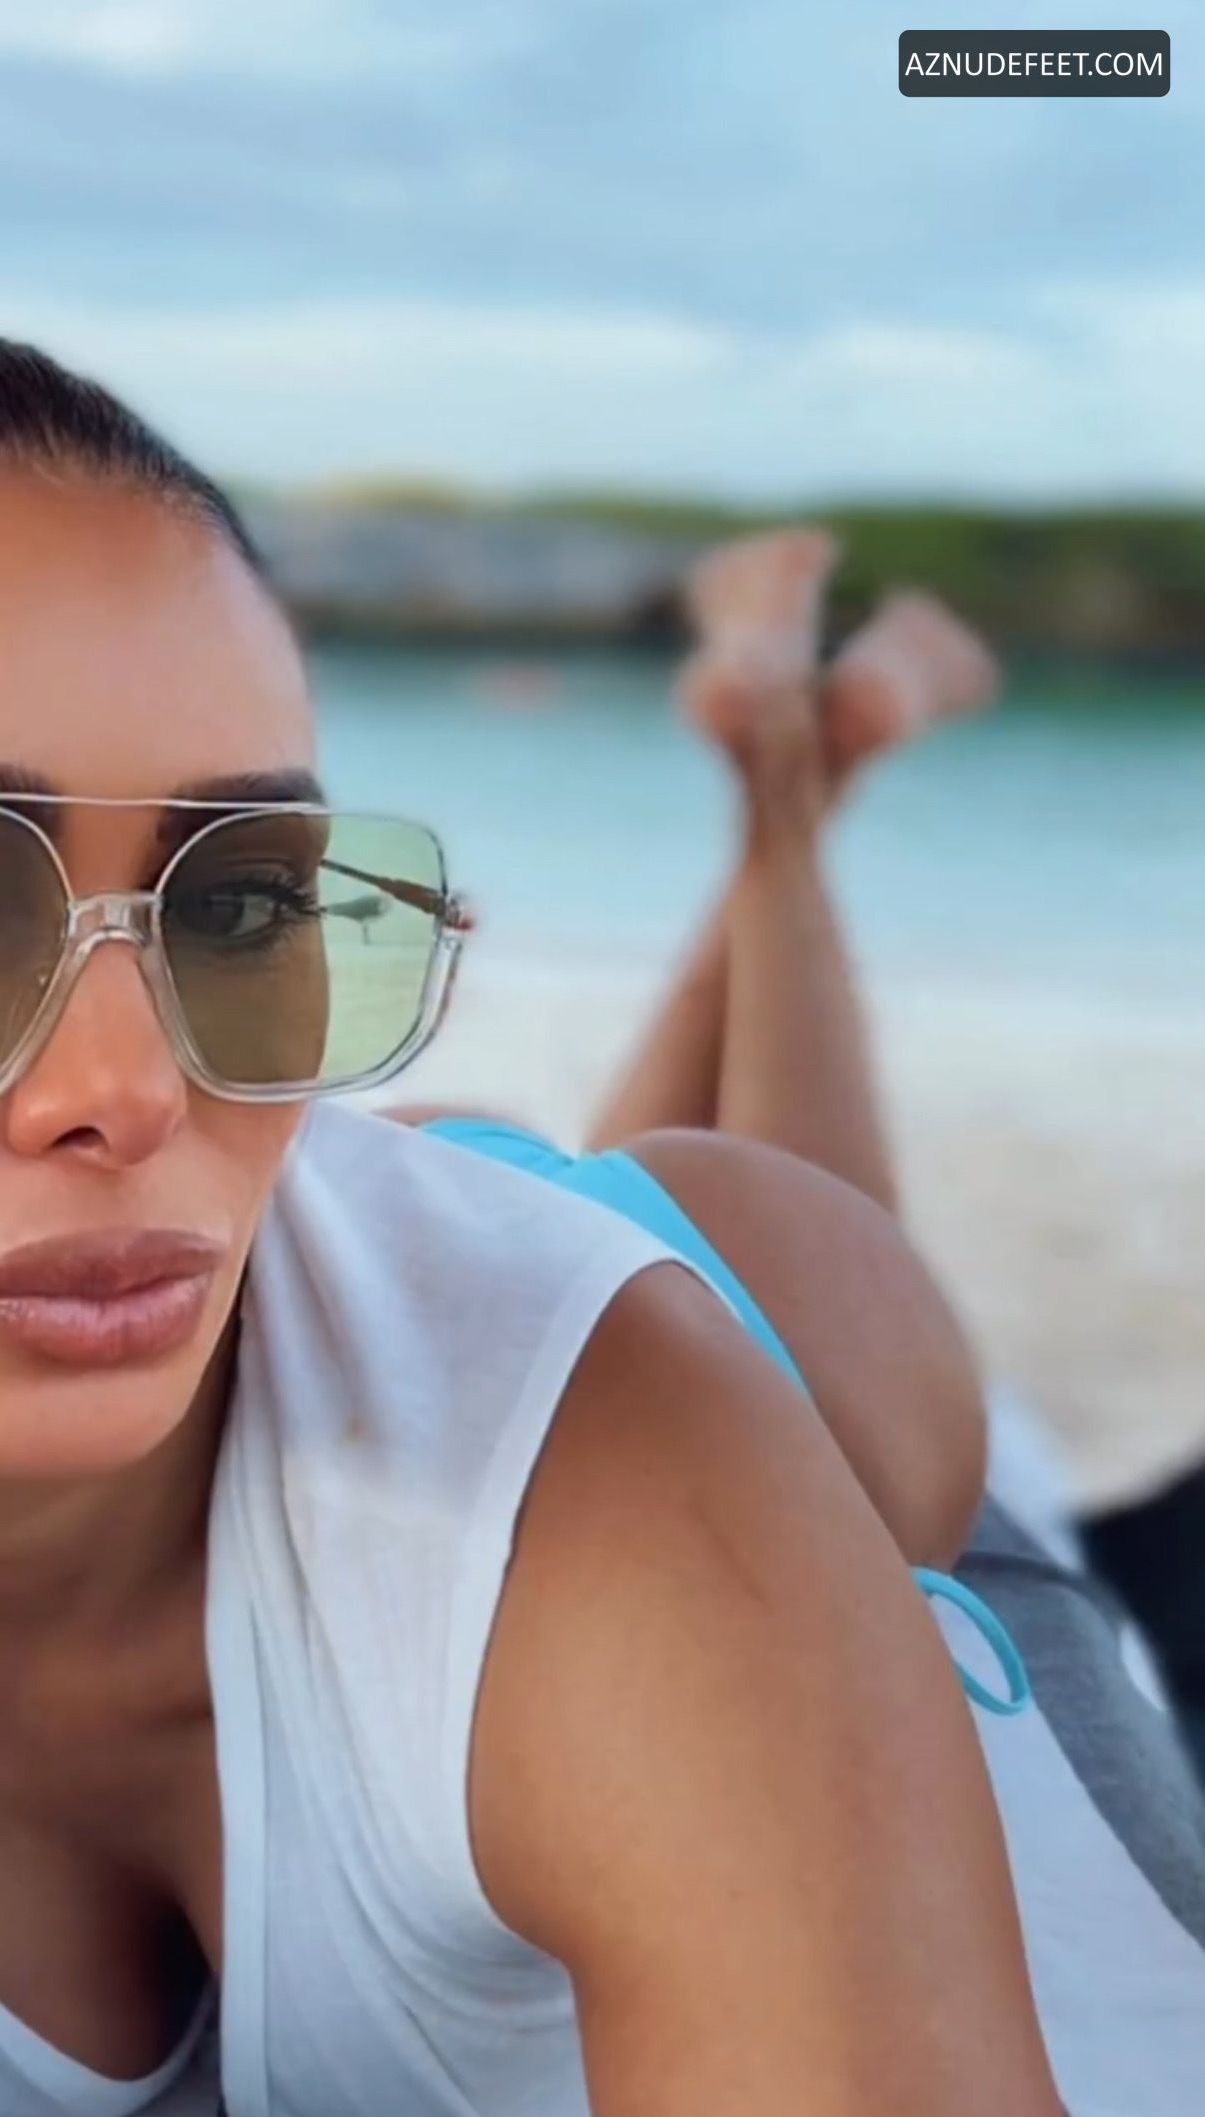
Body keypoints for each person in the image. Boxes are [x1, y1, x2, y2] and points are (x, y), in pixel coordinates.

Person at [0, 343, 1060, 2116]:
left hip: (705, 1304)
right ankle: (783, 753)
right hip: (382, 1251)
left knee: (809, 1337)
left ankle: (782, 795)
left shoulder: (609, 1477)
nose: (131, 1086)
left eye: (239, 900)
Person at [417, 525, 1205, 2117]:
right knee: (661, 1268)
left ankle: (792, 770)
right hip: (959, 1749)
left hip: (917, 1701)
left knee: (661, 1285)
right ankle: (790, 771)